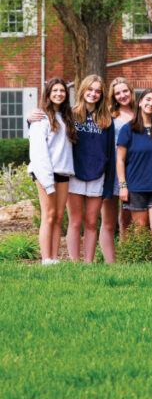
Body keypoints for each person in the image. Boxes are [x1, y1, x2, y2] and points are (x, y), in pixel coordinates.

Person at [66, 74, 116, 263]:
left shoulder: (106, 120)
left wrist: (109, 185)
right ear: (83, 90)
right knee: (75, 221)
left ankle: (88, 263)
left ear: (102, 95)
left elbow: (110, 154)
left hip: (98, 176)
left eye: (97, 91)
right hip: (74, 174)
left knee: (92, 222)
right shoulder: (71, 114)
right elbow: (50, 123)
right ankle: (74, 262)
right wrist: (30, 120)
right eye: (90, 89)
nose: (93, 94)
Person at [28, 78, 76, 265]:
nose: (58, 94)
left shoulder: (67, 117)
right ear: (48, 94)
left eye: (62, 91)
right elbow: (39, 152)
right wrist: (48, 182)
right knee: (48, 216)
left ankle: (55, 258)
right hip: (45, 173)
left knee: (58, 216)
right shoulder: (41, 117)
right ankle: (45, 258)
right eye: (54, 91)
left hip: (63, 172)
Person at [116, 89, 152, 237]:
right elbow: (120, 159)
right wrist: (122, 186)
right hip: (136, 186)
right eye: (148, 99)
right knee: (140, 230)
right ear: (140, 102)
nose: (151, 104)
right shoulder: (128, 129)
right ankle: (143, 261)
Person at [101, 77, 135, 255]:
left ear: (131, 91)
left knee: (127, 217)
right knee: (108, 220)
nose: (122, 95)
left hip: (133, 169)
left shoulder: (139, 114)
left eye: (125, 91)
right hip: (112, 170)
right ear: (113, 96)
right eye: (118, 93)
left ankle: (126, 254)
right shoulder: (108, 116)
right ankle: (110, 260)